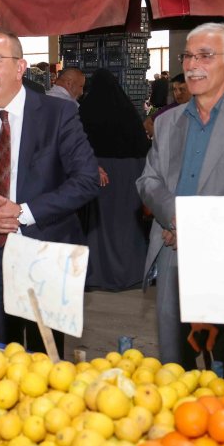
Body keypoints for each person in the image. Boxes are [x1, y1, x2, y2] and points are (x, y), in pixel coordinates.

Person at [0, 32, 99, 356]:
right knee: (1, 353)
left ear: (20, 66)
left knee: (46, 356)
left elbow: (86, 179)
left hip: (44, 249)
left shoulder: (57, 114)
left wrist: (24, 212)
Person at [137, 22, 224, 365]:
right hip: (171, 250)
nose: (192, 65)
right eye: (188, 56)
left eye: (205, 56)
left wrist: (198, 225)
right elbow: (148, 181)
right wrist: (174, 216)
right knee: (173, 364)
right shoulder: (168, 121)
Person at [79, 69, 151, 292]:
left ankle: (98, 273)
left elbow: (78, 144)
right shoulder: (127, 111)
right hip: (131, 172)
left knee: (100, 227)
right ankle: (132, 273)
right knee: (128, 225)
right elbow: (142, 145)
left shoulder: (87, 110)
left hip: (99, 172)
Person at [144, 74, 189, 138]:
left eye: (182, 89)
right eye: (175, 89)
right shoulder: (170, 109)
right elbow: (147, 123)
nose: (177, 93)